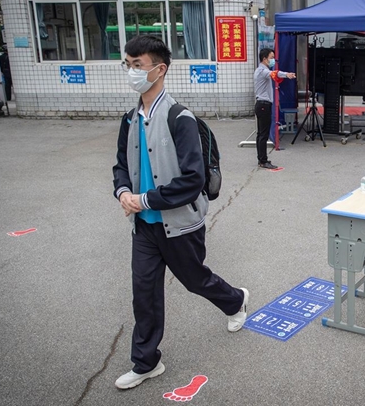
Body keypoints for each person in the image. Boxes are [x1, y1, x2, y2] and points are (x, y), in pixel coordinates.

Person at [112, 35, 248, 390]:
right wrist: (123, 191)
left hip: (180, 225)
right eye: (127, 65)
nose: (131, 72)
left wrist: (144, 200)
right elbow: (120, 167)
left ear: (160, 69)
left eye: (137, 65)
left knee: (195, 280)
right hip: (143, 227)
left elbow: (193, 180)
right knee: (144, 293)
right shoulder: (129, 120)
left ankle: (235, 301)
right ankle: (146, 362)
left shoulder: (180, 118)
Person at [253, 48, 296, 169]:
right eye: (271, 58)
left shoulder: (260, 70)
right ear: (264, 58)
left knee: (261, 134)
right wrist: (287, 75)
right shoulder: (263, 71)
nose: (273, 60)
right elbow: (274, 74)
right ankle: (263, 160)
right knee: (263, 134)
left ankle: (261, 159)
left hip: (261, 105)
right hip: (263, 105)